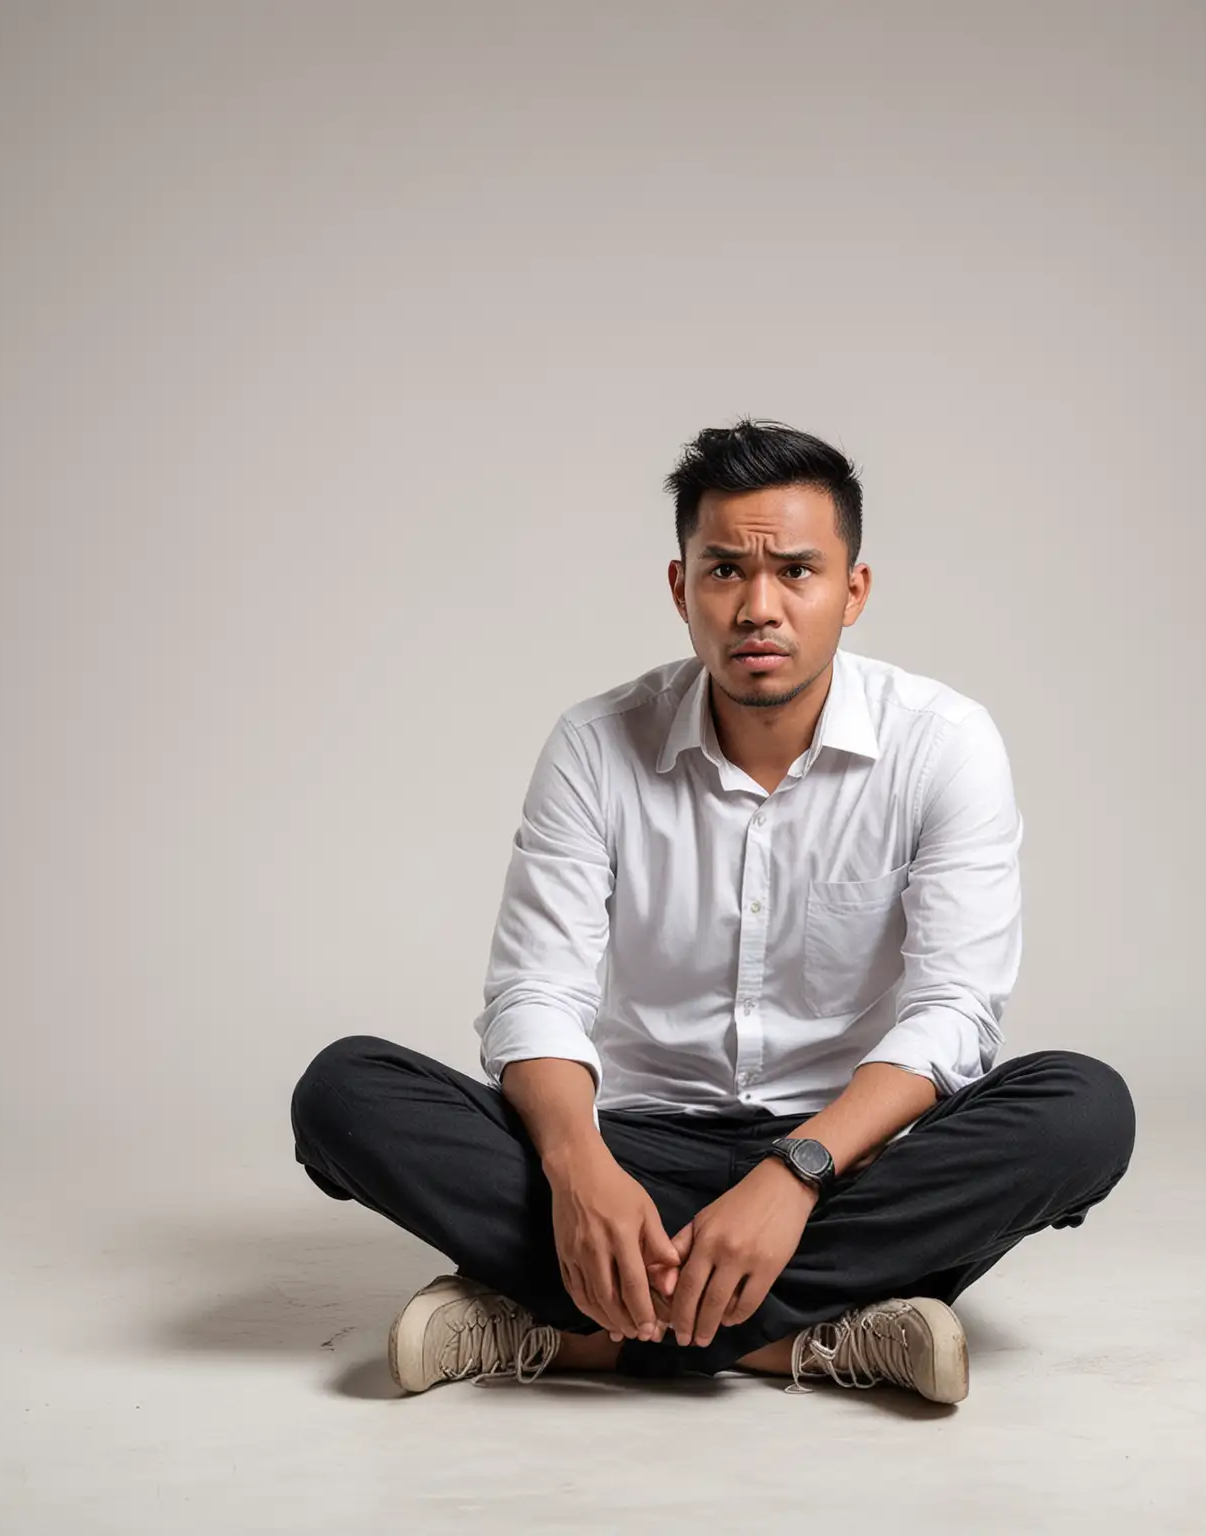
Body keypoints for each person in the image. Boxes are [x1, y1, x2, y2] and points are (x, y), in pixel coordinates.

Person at [290, 418, 1136, 1404]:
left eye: (797, 573)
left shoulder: (945, 744)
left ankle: (567, 1330)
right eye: (725, 570)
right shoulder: (595, 743)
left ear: (853, 591)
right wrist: (578, 1170)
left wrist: (793, 1173)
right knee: (344, 1092)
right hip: (631, 1147)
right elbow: (536, 992)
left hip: (842, 1159)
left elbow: (955, 1011)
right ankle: (821, 1336)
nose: (758, 606)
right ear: (681, 586)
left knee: (1083, 1110)